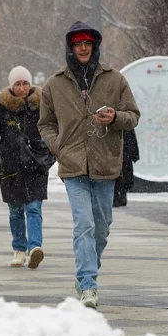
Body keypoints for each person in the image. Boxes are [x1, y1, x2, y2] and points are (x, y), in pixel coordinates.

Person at [38, 21, 140, 309]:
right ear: (70, 48)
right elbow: (45, 123)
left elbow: (133, 115)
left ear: (94, 47)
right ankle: (88, 284)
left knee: (102, 227)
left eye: (88, 44)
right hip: (72, 165)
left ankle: (86, 271)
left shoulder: (115, 79)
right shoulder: (55, 84)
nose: (83, 48)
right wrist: (58, 146)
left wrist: (116, 118)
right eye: (78, 44)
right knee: (83, 224)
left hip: (106, 162)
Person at [0, 66, 55, 269]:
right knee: (15, 210)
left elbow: (53, 133)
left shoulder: (41, 108)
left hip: (36, 166)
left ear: (30, 84)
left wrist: (47, 155)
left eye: (25, 83)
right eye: (18, 84)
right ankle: (19, 249)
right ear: (12, 86)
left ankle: (35, 248)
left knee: (33, 208)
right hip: (11, 168)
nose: (22, 87)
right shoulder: (2, 110)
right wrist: (5, 151)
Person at [114, 129, 140, 207]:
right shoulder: (127, 125)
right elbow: (132, 140)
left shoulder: (126, 126)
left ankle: (118, 197)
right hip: (124, 155)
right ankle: (120, 196)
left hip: (120, 155)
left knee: (118, 177)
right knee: (123, 177)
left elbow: (132, 139)